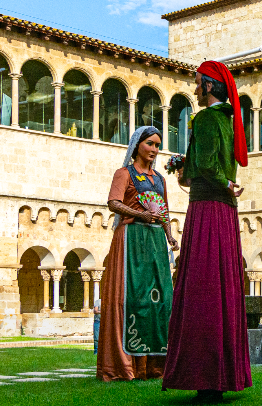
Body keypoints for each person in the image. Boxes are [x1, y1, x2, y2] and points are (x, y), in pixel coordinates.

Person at [163, 61, 251, 403]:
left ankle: (205, 374)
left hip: (207, 209)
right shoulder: (228, 120)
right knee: (221, 287)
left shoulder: (206, 119)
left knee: (202, 289)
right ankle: (220, 374)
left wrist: (219, 181)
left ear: (210, 87)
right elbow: (213, 163)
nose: (195, 89)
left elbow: (211, 166)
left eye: (198, 83)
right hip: (224, 211)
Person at [96, 126, 179, 381]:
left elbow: (163, 209)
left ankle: (155, 366)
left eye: (157, 145)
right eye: (150, 144)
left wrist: (169, 234)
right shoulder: (124, 173)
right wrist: (140, 214)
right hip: (131, 239)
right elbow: (113, 203)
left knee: (160, 300)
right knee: (132, 298)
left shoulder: (159, 179)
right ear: (137, 145)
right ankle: (128, 366)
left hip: (155, 242)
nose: (154, 150)